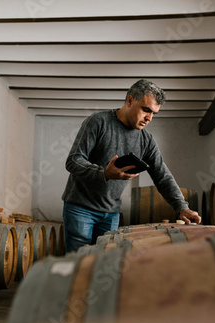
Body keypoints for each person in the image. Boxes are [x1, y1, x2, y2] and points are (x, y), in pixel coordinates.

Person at [61, 79, 201, 253]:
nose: (149, 118)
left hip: (111, 213)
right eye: (146, 110)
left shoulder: (146, 140)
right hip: (81, 209)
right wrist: (104, 173)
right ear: (129, 101)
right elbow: (74, 160)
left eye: (154, 113)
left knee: (103, 264)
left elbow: (162, 176)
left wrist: (182, 207)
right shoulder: (98, 122)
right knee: (78, 262)